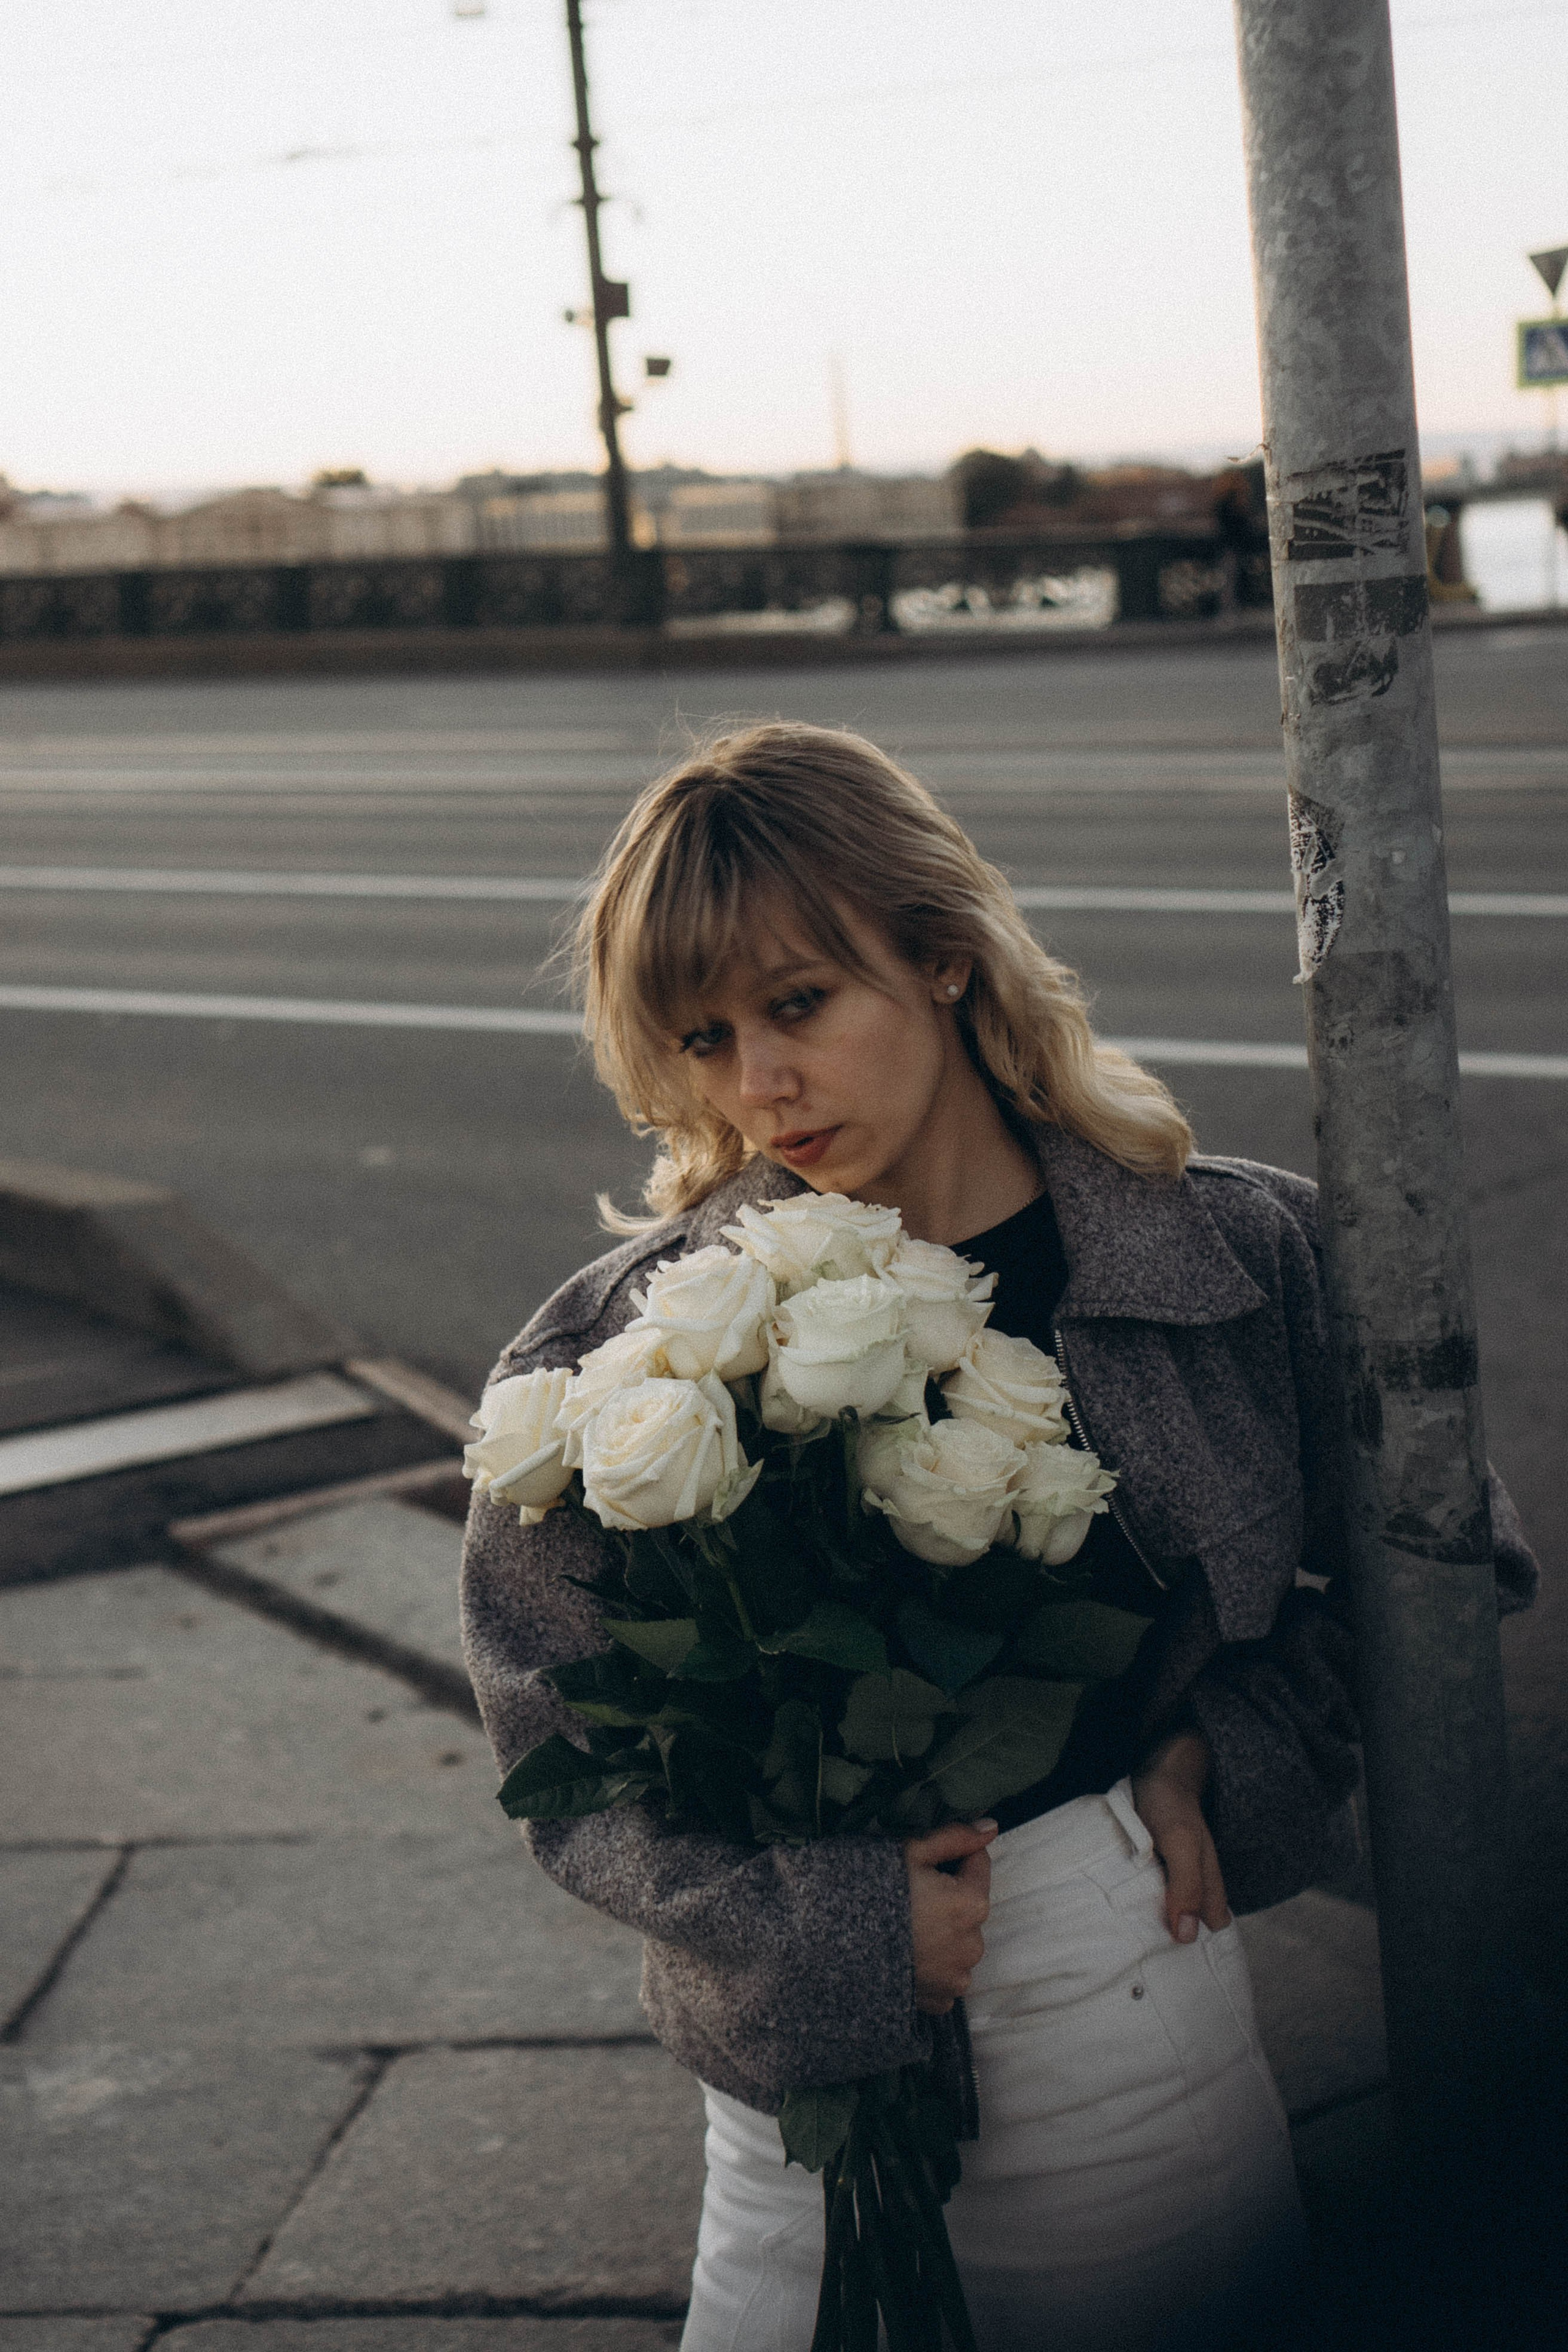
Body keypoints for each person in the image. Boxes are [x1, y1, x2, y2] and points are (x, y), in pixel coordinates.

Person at [461, 723, 1537, 2352]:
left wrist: (1230, 1745)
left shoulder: (1234, 1257)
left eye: (799, 1003)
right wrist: (821, 1929)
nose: (757, 1082)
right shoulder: (624, 1353)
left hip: (1128, 2038)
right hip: (791, 2117)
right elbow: (563, 1752)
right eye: (702, 1033)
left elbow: (1449, 1588)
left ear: (946, 957)